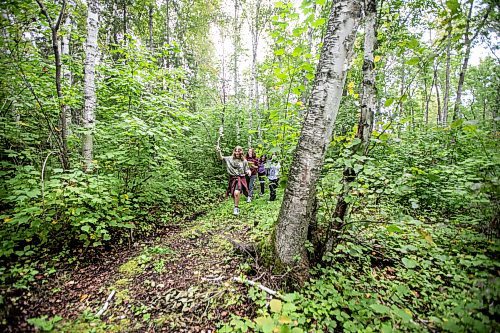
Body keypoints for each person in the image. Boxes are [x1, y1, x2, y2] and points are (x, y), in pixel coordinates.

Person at [216, 145, 251, 215]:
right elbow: (221, 158)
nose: (237, 152)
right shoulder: (229, 158)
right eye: (236, 151)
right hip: (232, 178)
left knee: (236, 192)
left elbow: (247, 169)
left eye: (239, 151)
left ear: (241, 152)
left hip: (241, 178)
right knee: (233, 193)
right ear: (234, 151)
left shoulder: (244, 161)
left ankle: (236, 208)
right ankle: (236, 205)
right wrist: (218, 151)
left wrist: (249, 172)